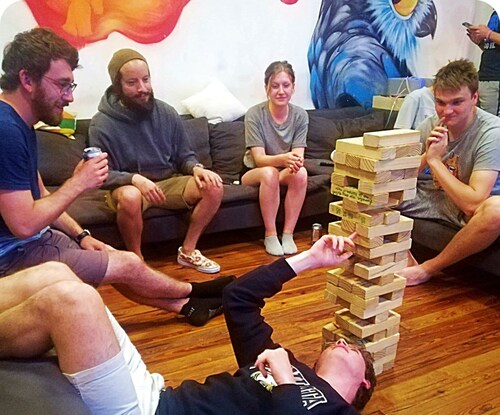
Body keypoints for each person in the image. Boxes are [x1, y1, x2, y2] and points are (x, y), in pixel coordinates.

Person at [0, 234, 378, 415]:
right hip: (155, 399)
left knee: (72, 303)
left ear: (364, 384)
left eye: (354, 349)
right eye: (339, 340)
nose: (342, 342)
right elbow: (239, 297)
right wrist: (312, 258)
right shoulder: (282, 363)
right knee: (56, 274)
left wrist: (286, 386)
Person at [0, 28, 233, 326]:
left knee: (115, 260)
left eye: (71, 85)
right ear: (27, 79)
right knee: (127, 264)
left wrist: (82, 236)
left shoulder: (19, 125)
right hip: (14, 255)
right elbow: (23, 225)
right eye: (62, 85)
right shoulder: (6, 131)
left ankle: (187, 307)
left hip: (35, 240)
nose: (70, 96)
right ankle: (197, 291)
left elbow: (42, 195)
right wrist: (78, 183)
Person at [88, 49, 223, 272]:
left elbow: (184, 155)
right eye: (132, 82)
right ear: (117, 85)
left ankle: (188, 251)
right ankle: (137, 261)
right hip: (130, 188)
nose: (142, 88)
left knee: (213, 185)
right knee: (130, 196)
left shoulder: (166, 113)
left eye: (146, 79)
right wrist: (135, 179)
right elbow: (102, 175)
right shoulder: (101, 124)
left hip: (167, 183)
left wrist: (196, 168)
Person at [398, 59, 500, 286]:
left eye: (457, 102)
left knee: (496, 210)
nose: (447, 111)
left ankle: (427, 269)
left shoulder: (492, 133)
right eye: (441, 103)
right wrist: (427, 155)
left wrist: (435, 161)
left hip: (471, 209)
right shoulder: (431, 124)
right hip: (438, 197)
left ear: (474, 98)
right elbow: (401, 178)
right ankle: (403, 258)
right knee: (374, 191)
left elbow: (473, 203)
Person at [242, 60, 309, 256]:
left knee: (301, 173)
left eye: (286, 85)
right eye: (275, 86)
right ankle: (270, 235)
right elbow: (259, 159)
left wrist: (292, 161)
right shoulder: (254, 114)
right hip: (254, 172)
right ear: (267, 89)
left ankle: (288, 234)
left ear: (293, 87)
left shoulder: (300, 115)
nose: (281, 91)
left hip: (284, 171)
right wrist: (283, 159)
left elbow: (298, 157)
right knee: (270, 173)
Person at [466, 11, 500, 116]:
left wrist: (488, 34)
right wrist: (480, 43)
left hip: (496, 78)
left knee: (492, 120)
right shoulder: (494, 13)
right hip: (485, 76)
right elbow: (492, 48)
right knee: (482, 119)